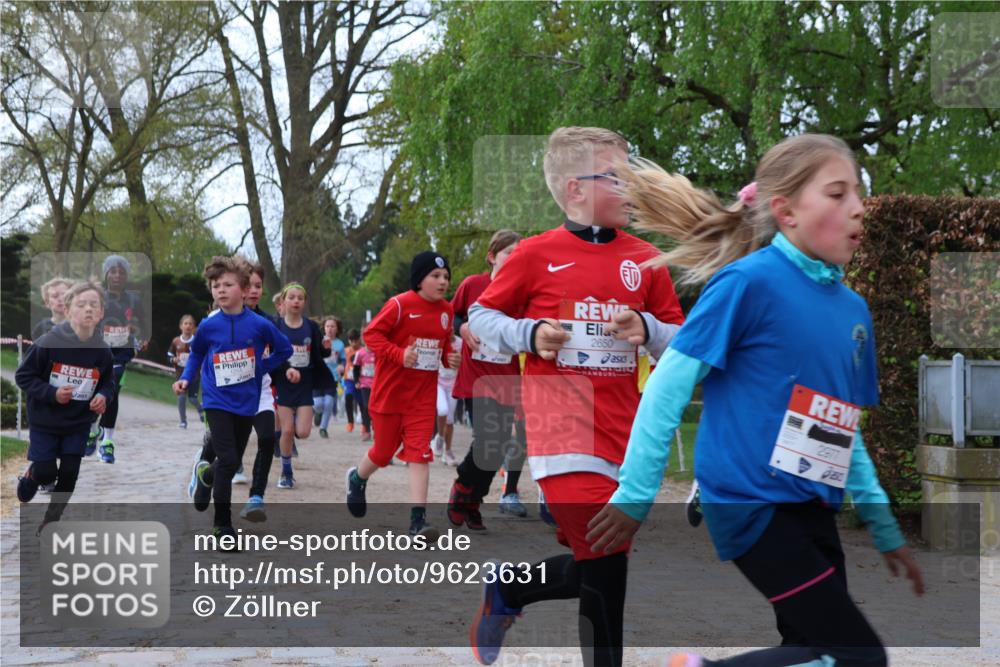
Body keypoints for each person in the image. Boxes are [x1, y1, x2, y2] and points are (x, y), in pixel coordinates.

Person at [585, 134, 925, 667]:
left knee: (812, 653)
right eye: (837, 194)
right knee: (861, 658)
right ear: (785, 211)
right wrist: (635, 493)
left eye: (857, 192)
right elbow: (669, 387)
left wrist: (882, 526)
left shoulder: (854, 312)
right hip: (749, 501)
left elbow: (842, 429)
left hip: (812, 507)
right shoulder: (748, 282)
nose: (858, 207)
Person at [466, 127, 684, 667]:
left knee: (601, 562)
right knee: (606, 557)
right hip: (560, 429)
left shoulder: (646, 259)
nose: (633, 187)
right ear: (575, 189)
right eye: (619, 177)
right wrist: (530, 333)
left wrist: (648, 327)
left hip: (624, 435)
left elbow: (684, 340)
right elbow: (481, 316)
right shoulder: (535, 254)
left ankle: (511, 588)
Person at [174, 256, 291, 549]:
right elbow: (198, 354)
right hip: (216, 399)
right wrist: (187, 378)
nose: (220, 290)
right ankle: (223, 528)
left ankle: (205, 474)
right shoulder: (209, 325)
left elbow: (284, 348)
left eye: (227, 285)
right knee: (228, 461)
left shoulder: (259, 325)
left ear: (242, 288)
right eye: (215, 286)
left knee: (231, 460)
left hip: (247, 401)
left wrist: (261, 367)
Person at [345, 251, 461, 538]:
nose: (442, 281)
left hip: (422, 399)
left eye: (445, 276)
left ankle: (417, 521)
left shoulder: (447, 311)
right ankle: (357, 478)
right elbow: (372, 335)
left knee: (421, 455)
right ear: (420, 279)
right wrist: (398, 354)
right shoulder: (399, 304)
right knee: (383, 454)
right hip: (390, 395)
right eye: (435, 276)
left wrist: (449, 358)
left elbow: (442, 345)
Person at [16, 282, 114, 532]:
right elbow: (23, 377)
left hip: (78, 423)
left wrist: (103, 396)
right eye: (81, 305)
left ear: (101, 312)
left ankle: (51, 520)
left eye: (94, 305)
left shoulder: (102, 351)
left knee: (69, 473)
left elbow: (108, 383)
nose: (88, 310)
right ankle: (33, 474)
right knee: (48, 473)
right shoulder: (48, 342)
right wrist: (52, 393)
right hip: (45, 420)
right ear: (68, 310)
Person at [447, 229, 528, 528]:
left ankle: (474, 500)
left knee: (500, 444)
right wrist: (463, 329)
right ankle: (462, 490)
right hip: (476, 377)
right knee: (486, 440)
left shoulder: (523, 293)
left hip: (506, 378)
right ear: (492, 256)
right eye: (509, 253)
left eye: (519, 255)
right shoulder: (473, 285)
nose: (513, 259)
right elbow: (454, 316)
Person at [271, 283, 335, 489]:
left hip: (306, 384)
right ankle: (286, 472)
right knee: (287, 430)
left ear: (304, 302)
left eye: (300, 298)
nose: (296, 301)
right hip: (283, 383)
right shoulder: (277, 327)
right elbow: (272, 353)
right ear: (283, 301)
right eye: (292, 297)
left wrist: (326, 349)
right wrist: (286, 368)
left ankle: (296, 427)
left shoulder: (310, 327)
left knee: (304, 432)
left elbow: (318, 353)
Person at [87, 255, 146, 464]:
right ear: (106, 274)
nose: (117, 275)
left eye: (121, 272)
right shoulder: (97, 296)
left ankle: (108, 443)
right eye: (113, 271)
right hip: (97, 353)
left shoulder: (134, 299)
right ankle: (93, 429)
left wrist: (140, 337)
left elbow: (144, 323)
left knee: (112, 393)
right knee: (94, 392)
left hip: (121, 353)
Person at [168, 314, 203, 429]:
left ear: (194, 327)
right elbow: (169, 355)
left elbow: (202, 356)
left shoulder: (197, 341)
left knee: (192, 399)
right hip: (180, 375)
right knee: (181, 397)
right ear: (181, 326)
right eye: (185, 323)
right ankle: (183, 421)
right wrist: (173, 359)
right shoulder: (176, 341)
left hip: (194, 376)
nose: (188, 326)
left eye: (190, 324)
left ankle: (201, 410)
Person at [433, 334, 462, 465]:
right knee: (442, 410)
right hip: (439, 382)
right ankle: (439, 437)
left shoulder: (461, 343)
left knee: (450, 420)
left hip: (453, 384)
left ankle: (448, 452)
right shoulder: (437, 341)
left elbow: (466, 362)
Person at [314, 316, 345, 438]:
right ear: (324, 328)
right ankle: (318, 412)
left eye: (333, 326)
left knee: (329, 402)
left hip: (333, 377)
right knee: (318, 404)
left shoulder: (340, 344)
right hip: (318, 375)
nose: (330, 329)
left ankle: (323, 428)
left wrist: (342, 366)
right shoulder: (319, 340)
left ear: (337, 329)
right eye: (327, 326)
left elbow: (343, 360)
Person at [352, 328, 375, 442]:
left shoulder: (378, 352)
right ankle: (366, 431)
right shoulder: (360, 353)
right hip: (364, 384)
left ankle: (376, 428)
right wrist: (356, 381)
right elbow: (356, 369)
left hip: (377, 384)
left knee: (375, 408)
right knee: (366, 406)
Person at [342, 328, 361, 432]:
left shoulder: (362, 351)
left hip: (360, 380)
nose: (353, 343)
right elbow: (340, 361)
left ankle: (365, 425)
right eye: (351, 341)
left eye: (355, 340)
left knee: (362, 402)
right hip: (348, 379)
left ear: (359, 340)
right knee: (348, 397)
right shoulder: (346, 351)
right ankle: (350, 421)